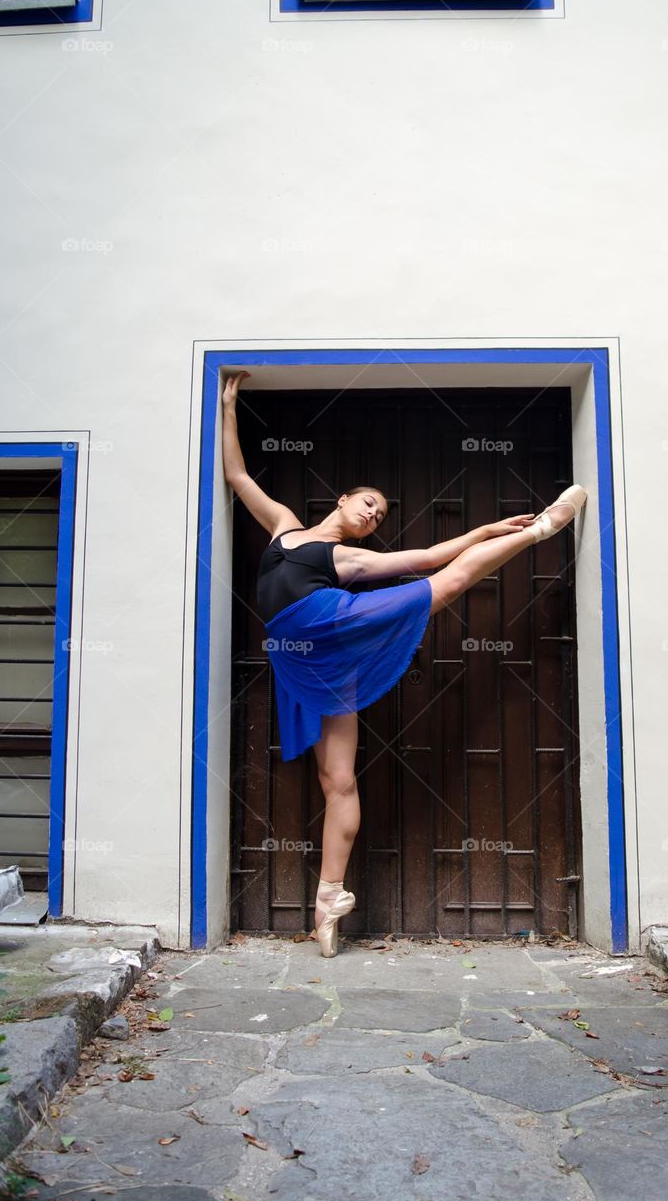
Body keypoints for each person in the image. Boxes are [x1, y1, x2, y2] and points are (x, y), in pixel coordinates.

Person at [222, 372, 587, 957]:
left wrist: (491, 525)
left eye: (381, 515)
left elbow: (433, 554)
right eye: (369, 503)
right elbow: (238, 475)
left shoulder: (349, 560)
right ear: (342, 497)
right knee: (334, 780)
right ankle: (330, 898)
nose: (373, 515)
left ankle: (543, 528)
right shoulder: (285, 524)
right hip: (303, 661)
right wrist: (227, 406)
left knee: (444, 583)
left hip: (331, 624)